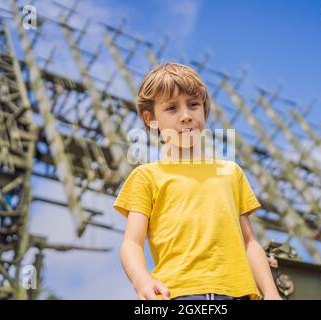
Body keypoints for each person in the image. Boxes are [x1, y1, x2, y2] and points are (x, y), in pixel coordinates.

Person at [113, 62, 281, 300]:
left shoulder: (230, 173)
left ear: (204, 110)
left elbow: (249, 242)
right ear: (151, 119)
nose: (185, 116)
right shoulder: (146, 177)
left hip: (238, 294)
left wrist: (271, 294)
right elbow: (132, 243)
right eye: (171, 108)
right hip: (178, 294)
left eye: (193, 105)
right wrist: (142, 280)